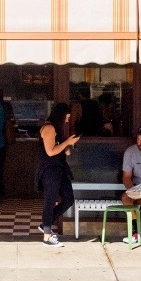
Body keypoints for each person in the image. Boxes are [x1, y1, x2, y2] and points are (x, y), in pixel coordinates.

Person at [35, 103, 81, 247]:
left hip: (60, 169)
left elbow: (62, 150)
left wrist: (67, 145)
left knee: (68, 199)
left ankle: (46, 224)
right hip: (50, 170)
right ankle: (47, 237)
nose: (67, 121)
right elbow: (50, 151)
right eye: (66, 117)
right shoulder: (48, 128)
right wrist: (67, 141)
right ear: (60, 115)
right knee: (49, 201)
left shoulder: (57, 129)